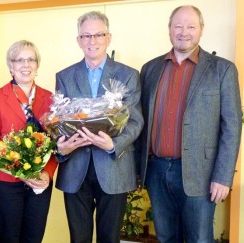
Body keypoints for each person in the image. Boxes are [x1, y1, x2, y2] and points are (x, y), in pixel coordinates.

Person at [137, 5, 242, 243]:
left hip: (202, 175)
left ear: (201, 30)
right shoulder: (150, 69)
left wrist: (223, 177)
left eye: (191, 26)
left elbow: (232, 126)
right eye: (178, 26)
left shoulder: (222, 70)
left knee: (199, 239)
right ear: (170, 30)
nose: (184, 32)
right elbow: (142, 122)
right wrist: (138, 171)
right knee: (166, 237)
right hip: (157, 171)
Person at [55, 11, 144, 243]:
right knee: (79, 238)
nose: (92, 41)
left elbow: (135, 121)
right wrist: (63, 144)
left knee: (110, 238)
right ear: (78, 40)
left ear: (108, 37)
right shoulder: (64, 76)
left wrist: (113, 144)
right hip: (76, 169)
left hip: (113, 166)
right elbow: (59, 120)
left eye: (98, 35)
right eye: (86, 36)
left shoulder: (128, 75)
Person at [0, 40, 57, 243]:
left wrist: (46, 173)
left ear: (37, 65)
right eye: (19, 60)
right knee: (8, 238)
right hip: (7, 185)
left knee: (34, 238)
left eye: (31, 59)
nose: (26, 65)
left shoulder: (50, 98)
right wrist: (22, 173)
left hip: (40, 184)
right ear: (11, 65)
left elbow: (55, 143)